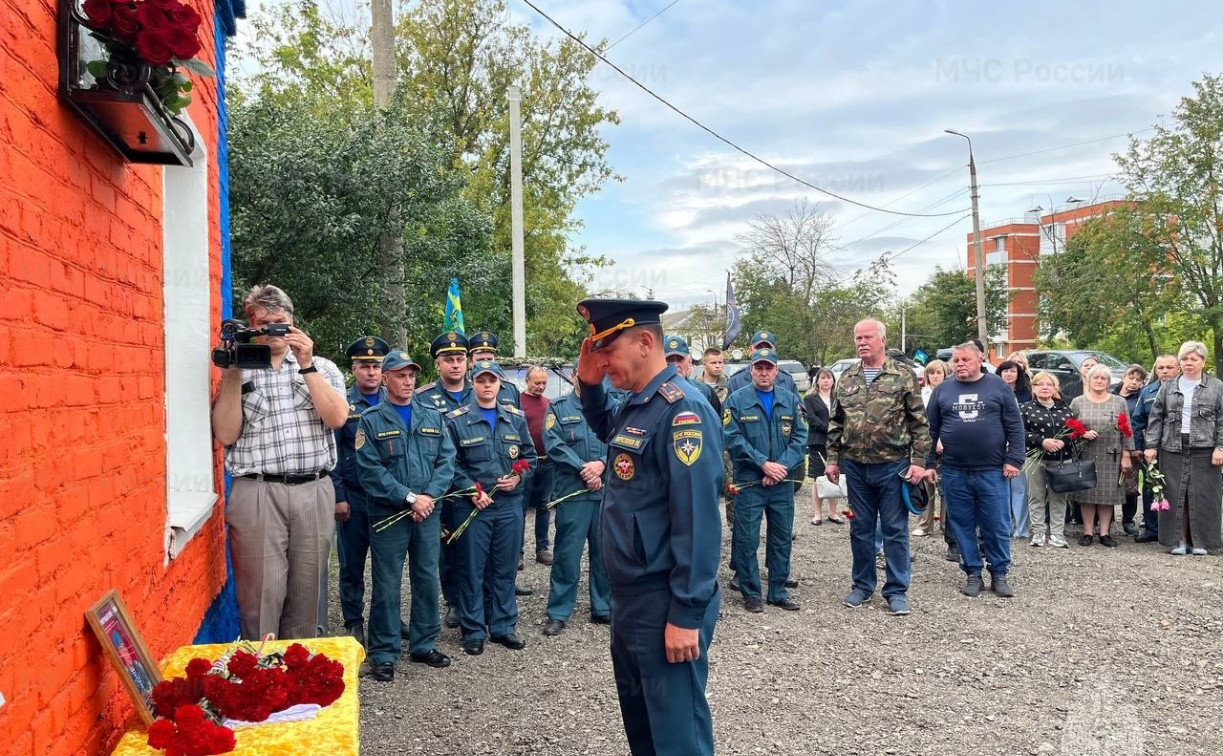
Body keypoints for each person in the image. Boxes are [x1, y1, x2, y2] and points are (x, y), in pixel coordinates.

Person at [575, 298, 722, 756]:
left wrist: (685, 615)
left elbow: (698, 523)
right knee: (643, 728)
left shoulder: (682, 412)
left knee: (678, 735)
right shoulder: (638, 405)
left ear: (644, 342)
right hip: (632, 598)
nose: (602, 360)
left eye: (607, 349)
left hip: (664, 601)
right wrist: (588, 382)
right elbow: (603, 425)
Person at [211, 284, 348, 641]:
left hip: (313, 488)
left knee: (307, 593)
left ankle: (301, 683)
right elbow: (225, 434)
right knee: (260, 595)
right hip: (257, 491)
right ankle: (262, 678)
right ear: (250, 325)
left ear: (294, 322)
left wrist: (306, 366)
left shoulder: (324, 368)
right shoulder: (240, 369)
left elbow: (337, 419)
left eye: (281, 323)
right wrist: (232, 375)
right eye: (264, 323)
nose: (273, 331)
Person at [353, 350, 456, 682]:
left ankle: (424, 643)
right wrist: (409, 497)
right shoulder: (371, 420)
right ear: (386, 379)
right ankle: (383, 652)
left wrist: (428, 498)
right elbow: (370, 470)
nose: (408, 381)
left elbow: (446, 462)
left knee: (427, 577)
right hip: (390, 513)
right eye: (400, 375)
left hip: (427, 512)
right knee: (386, 583)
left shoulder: (433, 416)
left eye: (412, 375)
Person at [825, 319, 930, 616]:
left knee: (895, 530)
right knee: (860, 528)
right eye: (858, 337)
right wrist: (832, 459)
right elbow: (836, 423)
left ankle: (896, 591)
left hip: (892, 466)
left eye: (868, 336)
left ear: (882, 339)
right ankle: (862, 586)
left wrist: (919, 462)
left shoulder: (903, 376)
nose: (862, 342)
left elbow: (919, 423)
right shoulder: (846, 377)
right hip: (856, 467)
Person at [445, 360, 536, 655]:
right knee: (472, 568)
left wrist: (518, 477)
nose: (487, 385)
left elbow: (529, 457)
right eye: (481, 380)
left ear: (500, 383)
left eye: (492, 380)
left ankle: (503, 626)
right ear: (473, 382)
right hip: (474, 505)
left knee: (505, 567)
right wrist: (472, 490)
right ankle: (473, 629)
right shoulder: (456, 420)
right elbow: (450, 464)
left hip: (509, 505)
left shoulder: (515, 418)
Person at [926, 342, 1025, 598]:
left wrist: (1014, 459)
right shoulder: (943, 390)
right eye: (956, 360)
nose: (960, 364)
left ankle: (999, 573)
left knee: (997, 524)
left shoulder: (998, 386)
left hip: (992, 470)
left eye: (965, 359)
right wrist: (928, 464)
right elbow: (931, 431)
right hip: (954, 470)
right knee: (961, 524)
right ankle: (972, 572)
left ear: (980, 359)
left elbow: (1015, 425)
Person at [723, 347, 808, 613]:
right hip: (750, 481)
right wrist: (763, 464)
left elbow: (800, 437)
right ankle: (751, 593)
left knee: (781, 536)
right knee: (747, 537)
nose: (763, 373)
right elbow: (732, 438)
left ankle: (778, 590)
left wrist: (780, 466)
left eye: (768, 368)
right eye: (758, 368)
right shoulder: (736, 400)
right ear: (751, 370)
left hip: (781, 481)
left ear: (776, 371)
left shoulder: (790, 400)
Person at [329, 335, 391, 647]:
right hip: (353, 497)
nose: (370, 371)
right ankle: (354, 621)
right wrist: (338, 496)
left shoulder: (391, 402)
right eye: (364, 366)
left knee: (387, 564)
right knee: (352, 564)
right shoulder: (343, 403)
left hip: (386, 499)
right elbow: (334, 452)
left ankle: (387, 618)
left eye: (376, 366)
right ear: (353, 369)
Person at [541, 375, 611, 636]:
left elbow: (623, 439)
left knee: (604, 554)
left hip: (606, 492)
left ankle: (603, 606)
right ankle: (558, 612)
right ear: (573, 377)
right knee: (567, 555)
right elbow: (553, 444)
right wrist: (585, 469)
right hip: (573, 492)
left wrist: (602, 465)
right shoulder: (558, 408)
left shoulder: (612, 405)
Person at [415, 331, 473, 629]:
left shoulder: (483, 390)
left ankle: (477, 600)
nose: (455, 364)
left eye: (459, 358)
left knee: (478, 546)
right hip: (443, 488)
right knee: (448, 545)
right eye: (448, 359)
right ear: (437, 364)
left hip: (479, 485)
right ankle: (453, 600)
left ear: (468, 362)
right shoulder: (423, 397)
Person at [1142, 341, 1223, 555]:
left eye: (1193, 359)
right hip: (1172, 447)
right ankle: (1178, 540)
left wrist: (1220, 447)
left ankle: (1201, 543)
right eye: (1185, 359)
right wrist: (1150, 446)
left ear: (1203, 362)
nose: (1188, 363)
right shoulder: (1168, 387)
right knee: (1175, 494)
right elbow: (1156, 417)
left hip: (1205, 449)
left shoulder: (1216, 387)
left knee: (1204, 496)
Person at [1069, 364, 1133, 547]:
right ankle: (1088, 532)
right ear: (1088, 380)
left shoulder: (1118, 402)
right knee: (1087, 494)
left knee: (1107, 495)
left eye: (1103, 378)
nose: (1099, 381)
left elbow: (1127, 430)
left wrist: (1126, 455)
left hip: (1110, 455)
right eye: (1095, 378)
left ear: (1108, 381)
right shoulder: (1078, 402)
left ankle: (1105, 533)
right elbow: (1069, 427)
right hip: (1085, 454)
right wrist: (1082, 433)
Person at [1020, 372, 1076, 548]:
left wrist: (1063, 441)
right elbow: (1021, 432)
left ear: (1055, 388)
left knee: (1059, 496)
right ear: (1034, 388)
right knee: (1035, 495)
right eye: (1040, 384)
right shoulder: (1026, 408)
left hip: (1061, 459)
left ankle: (1057, 533)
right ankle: (1038, 532)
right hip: (1036, 458)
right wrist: (1041, 441)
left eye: (1049, 384)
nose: (1045, 387)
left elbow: (1075, 431)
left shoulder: (1066, 408)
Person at [1131, 354, 1180, 543]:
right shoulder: (1148, 391)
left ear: (1178, 369)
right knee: (1152, 488)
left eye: (1169, 367)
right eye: (1161, 368)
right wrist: (1137, 447)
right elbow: (1137, 420)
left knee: (1176, 488)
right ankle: (1152, 529)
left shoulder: (1184, 390)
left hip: (1178, 448)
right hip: (1153, 448)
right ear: (1156, 369)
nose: (1165, 371)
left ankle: (1176, 530)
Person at [519, 365, 554, 572]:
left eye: (543, 383)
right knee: (520, 508)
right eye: (536, 382)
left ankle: (542, 549)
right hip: (526, 463)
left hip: (547, 462)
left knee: (544, 506)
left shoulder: (549, 404)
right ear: (527, 381)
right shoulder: (518, 403)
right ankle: (518, 553)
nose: (540, 386)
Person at [912, 359, 948, 543]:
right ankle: (924, 524)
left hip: (946, 445)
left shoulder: (950, 393)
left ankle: (945, 525)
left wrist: (941, 441)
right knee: (925, 485)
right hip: (925, 444)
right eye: (931, 373)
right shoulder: (922, 394)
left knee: (945, 488)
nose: (935, 376)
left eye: (938, 373)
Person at [996, 359, 1032, 538]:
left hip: (1018, 445)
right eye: (1005, 371)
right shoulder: (992, 391)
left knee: (1019, 489)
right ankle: (1004, 525)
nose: (1009, 374)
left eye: (1012, 371)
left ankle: (1021, 528)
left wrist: (1014, 441)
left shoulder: (1027, 395)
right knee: (1001, 489)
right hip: (996, 445)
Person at [1113, 364, 1148, 536]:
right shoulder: (1111, 393)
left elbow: (1140, 423)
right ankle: (1107, 520)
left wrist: (1137, 446)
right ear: (1123, 377)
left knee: (1130, 484)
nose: (1134, 382)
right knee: (1109, 482)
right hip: (1110, 444)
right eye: (1131, 378)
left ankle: (1128, 519)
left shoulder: (1141, 397)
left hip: (1132, 445)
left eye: (1139, 380)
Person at [804, 368, 840, 525]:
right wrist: (830, 428)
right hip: (818, 442)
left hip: (837, 443)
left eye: (829, 378)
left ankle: (833, 513)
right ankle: (817, 514)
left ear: (833, 380)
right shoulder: (810, 398)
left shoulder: (839, 398)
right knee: (818, 478)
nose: (826, 381)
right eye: (823, 378)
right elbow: (810, 418)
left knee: (836, 478)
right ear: (817, 381)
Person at [727, 330, 798, 396]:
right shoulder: (736, 381)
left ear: (774, 350)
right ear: (750, 351)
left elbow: (798, 408)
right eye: (759, 348)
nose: (763, 352)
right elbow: (727, 408)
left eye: (768, 348)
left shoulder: (786, 380)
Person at [664, 335, 722, 416]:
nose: (675, 365)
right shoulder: (654, 393)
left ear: (689, 362)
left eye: (680, 359)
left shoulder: (705, 391)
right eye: (670, 360)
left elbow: (717, 423)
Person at [467, 330, 522, 408]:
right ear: (471, 362)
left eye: (489, 359)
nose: (486, 364)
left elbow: (519, 418)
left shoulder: (510, 389)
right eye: (480, 360)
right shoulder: (463, 391)